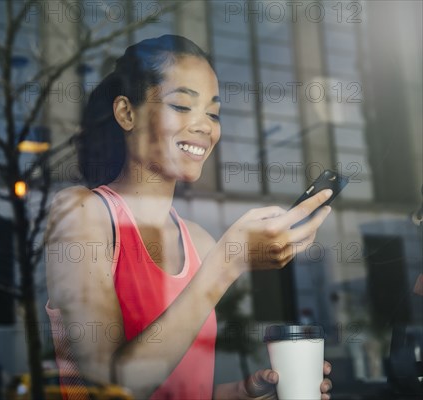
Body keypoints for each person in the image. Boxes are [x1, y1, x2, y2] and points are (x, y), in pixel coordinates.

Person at [45, 35, 333, 400]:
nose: (204, 126)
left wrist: (248, 392)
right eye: (182, 106)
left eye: (213, 113)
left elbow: (181, 388)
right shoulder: (81, 213)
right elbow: (111, 387)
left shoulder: (198, 241)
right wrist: (227, 264)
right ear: (126, 113)